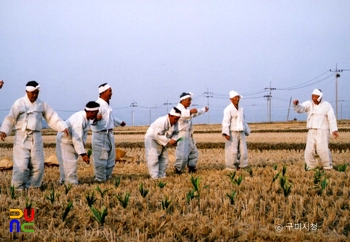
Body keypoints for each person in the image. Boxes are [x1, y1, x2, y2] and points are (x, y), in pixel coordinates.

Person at [0, 81, 68, 189]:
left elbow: (52, 117)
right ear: (26, 92)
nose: (35, 95)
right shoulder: (19, 103)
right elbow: (10, 118)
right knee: (21, 166)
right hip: (21, 137)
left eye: (37, 92)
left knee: (38, 166)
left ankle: (32, 187)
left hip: (36, 138)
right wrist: (4, 130)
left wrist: (62, 127)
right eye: (32, 93)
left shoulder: (41, 104)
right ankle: (17, 188)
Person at [56, 101, 101, 185]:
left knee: (67, 164)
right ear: (90, 112)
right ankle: (71, 184)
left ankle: (64, 182)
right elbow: (77, 138)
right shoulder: (79, 121)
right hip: (64, 141)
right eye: (96, 113)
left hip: (71, 141)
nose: (96, 115)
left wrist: (82, 148)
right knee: (69, 164)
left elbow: (82, 135)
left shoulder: (86, 118)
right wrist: (83, 154)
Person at [293, 88, 339, 170]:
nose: (314, 98)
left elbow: (331, 118)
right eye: (313, 96)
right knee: (309, 151)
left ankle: (327, 167)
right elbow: (301, 108)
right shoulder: (309, 104)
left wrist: (334, 130)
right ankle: (311, 167)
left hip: (322, 131)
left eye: (315, 97)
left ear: (320, 97)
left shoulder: (327, 105)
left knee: (323, 150)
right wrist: (296, 104)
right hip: (311, 130)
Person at [90, 83, 126, 182]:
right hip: (99, 135)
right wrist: (96, 118)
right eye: (110, 91)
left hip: (109, 134)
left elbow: (111, 119)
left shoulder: (107, 105)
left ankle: (107, 177)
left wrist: (120, 122)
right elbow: (90, 119)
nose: (111, 93)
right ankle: (100, 179)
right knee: (101, 159)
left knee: (111, 158)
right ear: (103, 92)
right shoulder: (97, 105)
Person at [174, 92, 209, 174]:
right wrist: (190, 112)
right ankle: (178, 169)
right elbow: (182, 114)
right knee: (182, 153)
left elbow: (195, 113)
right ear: (183, 100)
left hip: (189, 134)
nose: (190, 102)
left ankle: (192, 167)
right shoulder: (177, 109)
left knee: (193, 152)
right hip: (181, 134)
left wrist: (203, 110)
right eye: (189, 100)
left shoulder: (186, 110)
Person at [145, 107, 181, 179]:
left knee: (164, 159)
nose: (176, 121)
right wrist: (168, 141)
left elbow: (176, 133)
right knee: (153, 158)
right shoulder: (162, 121)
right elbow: (157, 134)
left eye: (178, 119)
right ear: (169, 116)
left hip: (164, 140)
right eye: (175, 118)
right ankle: (154, 177)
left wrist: (174, 140)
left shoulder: (175, 123)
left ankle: (162, 176)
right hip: (152, 139)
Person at [222, 90, 250, 171]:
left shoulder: (241, 109)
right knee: (232, 151)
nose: (237, 99)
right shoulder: (228, 109)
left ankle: (243, 166)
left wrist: (247, 131)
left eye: (238, 97)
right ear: (231, 99)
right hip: (232, 132)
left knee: (243, 150)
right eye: (235, 97)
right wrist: (226, 133)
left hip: (241, 132)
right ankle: (231, 167)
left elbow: (244, 121)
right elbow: (225, 121)